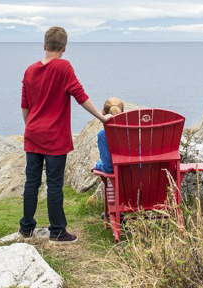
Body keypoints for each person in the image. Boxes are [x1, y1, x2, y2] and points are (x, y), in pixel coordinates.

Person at [19, 26, 112, 244]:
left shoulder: (30, 70)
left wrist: (30, 126)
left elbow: (24, 105)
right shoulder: (63, 66)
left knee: (31, 182)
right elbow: (80, 96)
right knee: (54, 184)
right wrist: (102, 117)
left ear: (44, 45)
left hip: (32, 133)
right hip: (55, 137)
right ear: (64, 48)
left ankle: (26, 228)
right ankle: (58, 231)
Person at [93, 98, 124, 174]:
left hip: (120, 180)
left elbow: (108, 167)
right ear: (123, 113)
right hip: (140, 174)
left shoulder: (103, 136)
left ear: (103, 112)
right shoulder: (133, 131)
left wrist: (98, 165)